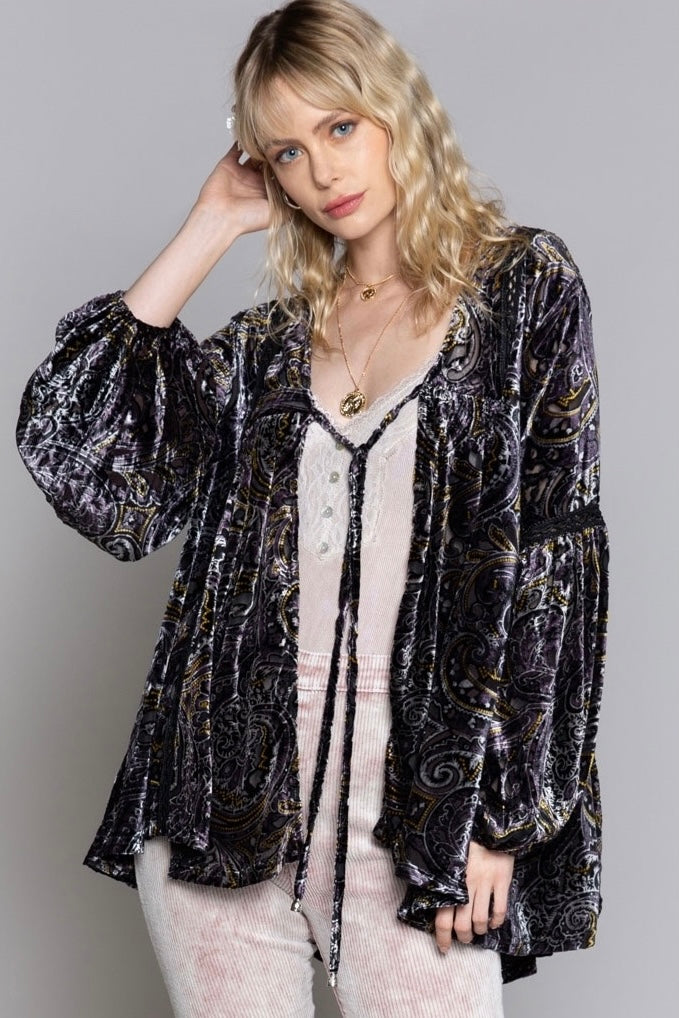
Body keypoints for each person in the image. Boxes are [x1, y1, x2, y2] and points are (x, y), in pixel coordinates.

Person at [15, 1, 610, 1015]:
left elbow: (556, 567)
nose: (323, 171)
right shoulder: (264, 351)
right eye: (287, 151)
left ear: (397, 111)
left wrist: (501, 817)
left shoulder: (523, 292)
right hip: (222, 809)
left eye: (340, 127)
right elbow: (79, 453)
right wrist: (210, 222)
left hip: (421, 802)